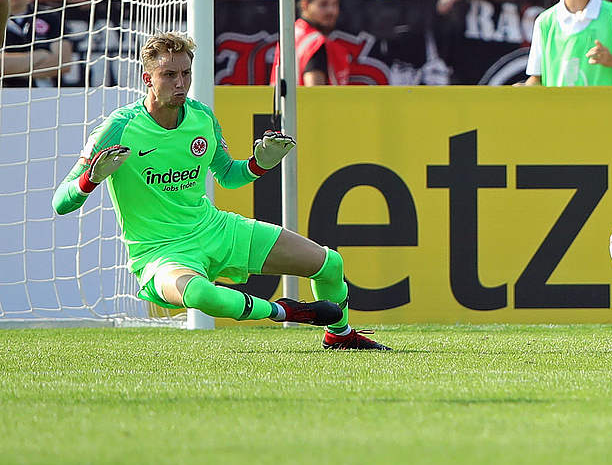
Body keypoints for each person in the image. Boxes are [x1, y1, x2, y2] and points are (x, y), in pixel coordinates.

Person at [51, 32, 388, 349]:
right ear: (147, 79)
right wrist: (90, 180)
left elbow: (228, 176)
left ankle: (340, 336)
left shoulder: (201, 117)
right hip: (161, 253)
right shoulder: (118, 128)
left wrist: (260, 163)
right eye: (169, 75)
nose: (180, 83)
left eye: (185, 73)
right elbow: (61, 202)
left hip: (215, 230)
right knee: (200, 295)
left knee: (329, 263)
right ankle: (286, 312)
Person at [271, 0, 351, 85]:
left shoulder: (292, 33)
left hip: (284, 100)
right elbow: (314, 93)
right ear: (305, 5)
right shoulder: (315, 42)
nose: (331, 11)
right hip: (304, 101)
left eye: (335, 4)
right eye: (323, 4)